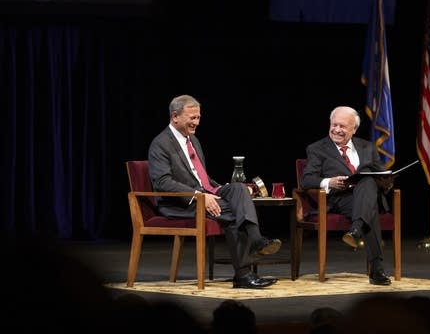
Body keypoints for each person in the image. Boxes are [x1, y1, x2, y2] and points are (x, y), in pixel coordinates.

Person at [148, 94, 281, 289]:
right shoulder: (160, 144)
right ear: (175, 117)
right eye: (191, 118)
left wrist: (217, 189)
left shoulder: (193, 141)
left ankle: (255, 242)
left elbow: (201, 177)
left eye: (198, 117)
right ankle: (245, 272)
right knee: (236, 213)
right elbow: (162, 182)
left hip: (204, 193)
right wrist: (199, 195)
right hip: (178, 203)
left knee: (238, 189)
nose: (196, 123)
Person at [300, 105, 393, 285]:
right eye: (334, 125)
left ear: (354, 129)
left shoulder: (368, 147)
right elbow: (307, 180)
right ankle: (377, 271)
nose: (337, 130)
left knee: (367, 182)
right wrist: (329, 182)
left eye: (342, 126)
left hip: (369, 195)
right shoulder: (317, 149)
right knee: (369, 210)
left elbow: (381, 175)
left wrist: (387, 182)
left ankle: (357, 229)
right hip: (341, 199)